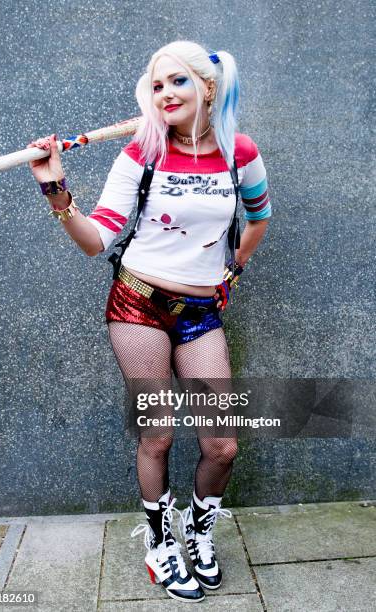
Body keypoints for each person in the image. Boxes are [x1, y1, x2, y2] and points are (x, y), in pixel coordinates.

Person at [27, 40, 271, 603]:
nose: (164, 93)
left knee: (222, 446)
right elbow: (98, 238)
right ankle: (161, 546)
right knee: (158, 436)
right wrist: (53, 186)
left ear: (207, 88)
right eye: (156, 85)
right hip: (137, 303)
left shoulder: (240, 152)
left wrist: (232, 269)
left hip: (200, 312)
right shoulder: (144, 151)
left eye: (177, 82)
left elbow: (259, 218)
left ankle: (199, 533)